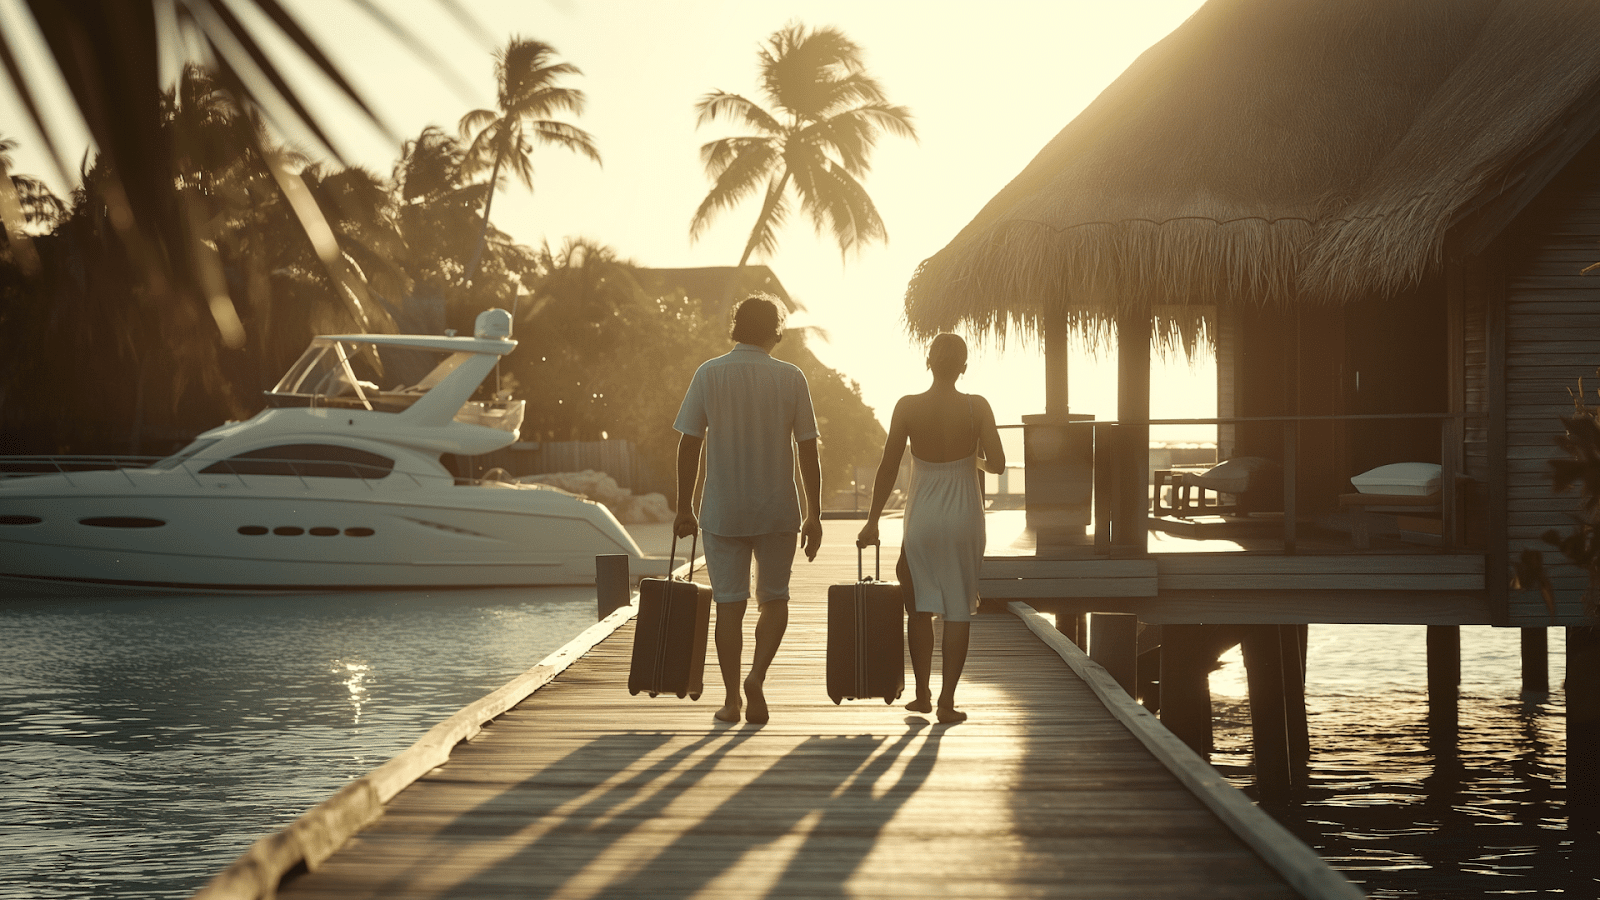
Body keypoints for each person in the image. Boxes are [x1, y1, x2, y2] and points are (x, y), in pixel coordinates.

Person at [673, 294, 823, 725]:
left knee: (730, 606)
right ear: (776, 331)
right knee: (774, 600)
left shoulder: (709, 373)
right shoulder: (791, 377)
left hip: (722, 511)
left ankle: (732, 701)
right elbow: (808, 449)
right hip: (777, 510)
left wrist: (685, 505)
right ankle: (756, 677)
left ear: (736, 327)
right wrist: (814, 513)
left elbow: (689, 443)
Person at [857, 333, 1004, 724]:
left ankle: (921, 694)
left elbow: (889, 466)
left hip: (921, 518)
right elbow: (1000, 464)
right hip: (964, 517)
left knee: (919, 606)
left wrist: (873, 520)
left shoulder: (907, 406)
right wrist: (973, 460)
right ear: (964, 367)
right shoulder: (978, 407)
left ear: (928, 361)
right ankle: (946, 702)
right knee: (957, 609)